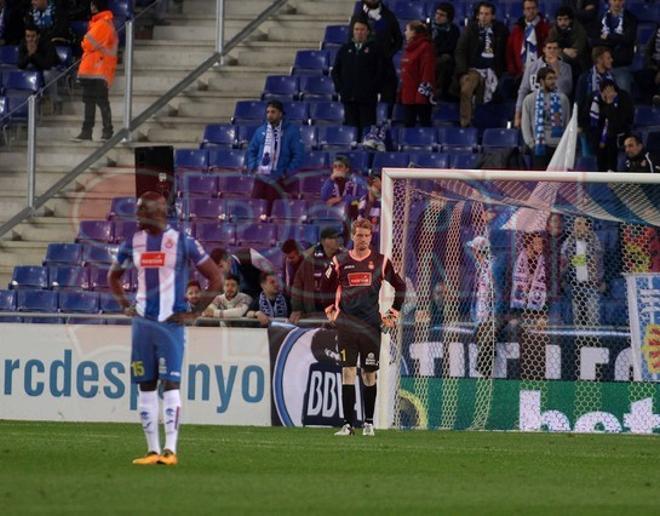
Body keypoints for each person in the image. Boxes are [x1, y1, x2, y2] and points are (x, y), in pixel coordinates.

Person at [108, 191, 222, 466]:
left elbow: (215, 278)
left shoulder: (182, 241)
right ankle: (152, 451)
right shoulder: (134, 242)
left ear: (157, 212)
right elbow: (113, 276)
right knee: (145, 385)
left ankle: (170, 450)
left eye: (141, 210)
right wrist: (125, 304)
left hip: (171, 324)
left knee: (171, 383)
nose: (137, 216)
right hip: (143, 324)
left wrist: (193, 313)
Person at [321, 219, 405, 437]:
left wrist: (392, 314)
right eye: (359, 235)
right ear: (352, 236)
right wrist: (330, 309)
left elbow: (400, 286)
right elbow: (324, 287)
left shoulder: (381, 261)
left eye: (366, 236)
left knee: (369, 374)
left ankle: (368, 423)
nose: (362, 239)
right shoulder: (339, 261)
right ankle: (347, 425)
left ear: (371, 237)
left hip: (370, 326)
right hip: (347, 325)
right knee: (347, 371)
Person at [452, 2, 509, 128]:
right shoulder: (470, 29)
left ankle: (481, 124)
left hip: (493, 70)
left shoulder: (501, 30)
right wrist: (463, 72)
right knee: (467, 89)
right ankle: (465, 123)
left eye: (487, 14)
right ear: (477, 15)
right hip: (473, 69)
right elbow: (460, 51)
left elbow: (506, 52)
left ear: (492, 16)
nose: (483, 17)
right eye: (481, 14)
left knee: (485, 93)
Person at [331, 14, 384, 141]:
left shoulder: (375, 49)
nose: (359, 32)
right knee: (351, 130)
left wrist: (373, 89)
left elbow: (381, 72)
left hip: (367, 99)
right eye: (356, 29)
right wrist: (341, 89)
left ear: (367, 31)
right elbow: (335, 71)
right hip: (349, 98)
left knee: (367, 131)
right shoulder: (345, 49)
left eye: (362, 29)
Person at [246, 100, 304, 212]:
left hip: (278, 178)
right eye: (267, 112)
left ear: (280, 114)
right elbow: (251, 151)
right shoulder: (261, 130)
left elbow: (298, 155)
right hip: (260, 177)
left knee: (272, 211)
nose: (269, 115)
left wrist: (286, 173)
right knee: (255, 209)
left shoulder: (291, 131)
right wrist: (253, 167)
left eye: (273, 112)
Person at [71, 0, 117, 142]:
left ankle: (107, 131)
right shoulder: (100, 23)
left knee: (101, 101)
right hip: (93, 69)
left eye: (92, 4)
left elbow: (87, 42)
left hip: (99, 68)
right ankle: (87, 132)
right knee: (90, 101)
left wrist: (84, 41)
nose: (90, 7)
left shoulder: (103, 23)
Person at [509, 232, 549, 381]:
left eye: (541, 243)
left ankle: (535, 368)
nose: (539, 246)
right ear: (530, 244)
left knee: (537, 333)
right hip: (521, 306)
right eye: (536, 242)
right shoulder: (521, 259)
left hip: (539, 306)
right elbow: (515, 283)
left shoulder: (546, 260)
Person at [289, 226, 343, 324]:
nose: (336, 240)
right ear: (323, 241)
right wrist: (297, 308)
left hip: (338, 312)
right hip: (313, 311)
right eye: (332, 238)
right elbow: (298, 284)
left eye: (337, 238)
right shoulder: (310, 261)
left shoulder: (344, 258)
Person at [515, 38, 572, 128]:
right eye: (549, 48)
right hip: (534, 109)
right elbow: (523, 90)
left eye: (555, 48)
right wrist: (517, 115)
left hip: (556, 110)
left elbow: (565, 91)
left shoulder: (566, 68)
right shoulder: (532, 67)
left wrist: (556, 68)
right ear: (544, 49)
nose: (552, 51)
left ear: (559, 51)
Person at [356, 0, 403, 110]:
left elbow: (398, 40)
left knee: (388, 96)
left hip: (385, 66)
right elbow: (351, 40)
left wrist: (388, 54)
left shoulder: (388, 16)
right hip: (364, 66)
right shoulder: (358, 16)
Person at [521, 67, 571, 170]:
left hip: (558, 148)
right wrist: (532, 144)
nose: (553, 81)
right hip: (539, 147)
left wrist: (565, 144)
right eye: (550, 79)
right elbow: (525, 125)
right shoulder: (529, 99)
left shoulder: (563, 99)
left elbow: (567, 124)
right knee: (541, 182)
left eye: (554, 78)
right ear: (541, 81)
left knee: (558, 183)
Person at [579, 79, 633, 171]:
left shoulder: (623, 98)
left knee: (611, 143)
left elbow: (620, 121)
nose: (609, 93)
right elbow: (588, 120)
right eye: (606, 90)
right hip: (598, 138)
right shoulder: (594, 99)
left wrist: (610, 104)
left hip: (618, 136)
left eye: (611, 90)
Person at [560, 216, 604, 328]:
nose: (577, 227)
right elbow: (564, 263)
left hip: (591, 285)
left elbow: (598, 262)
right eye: (575, 224)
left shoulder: (595, 241)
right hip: (573, 284)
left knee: (593, 318)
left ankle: (593, 339)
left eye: (580, 224)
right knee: (576, 318)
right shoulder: (567, 243)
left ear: (587, 226)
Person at [594, 0, 637, 94]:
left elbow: (628, 39)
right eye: (614, 0)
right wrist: (617, 39)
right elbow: (596, 39)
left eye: (620, 0)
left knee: (623, 96)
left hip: (621, 65)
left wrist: (608, 37)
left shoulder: (631, 19)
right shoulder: (601, 18)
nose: (617, 3)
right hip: (602, 66)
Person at [400, 21, 436, 128]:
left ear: (414, 32)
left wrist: (422, 96)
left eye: (407, 30)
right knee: (408, 127)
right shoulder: (409, 48)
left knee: (424, 125)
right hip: (408, 95)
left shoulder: (425, 47)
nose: (405, 32)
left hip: (420, 97)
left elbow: (427, 72)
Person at [506, 0, 551, 80]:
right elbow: (510, 51)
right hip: (519, 73)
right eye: (528, 8)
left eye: (533, 8)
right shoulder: (517, 29)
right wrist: (513, 70)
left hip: (541, 73)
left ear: (537, 9)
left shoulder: (546, 29)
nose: (531, 11)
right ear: (523, 11)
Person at [548, 6, 590, 76]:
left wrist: (560, 50)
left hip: (579, 63)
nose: (562, 23)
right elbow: (551, 50)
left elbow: (575, 53)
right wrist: (565, 50)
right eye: (560, 20)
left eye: (565, 19)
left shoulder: (579, 30)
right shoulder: (553, 31)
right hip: (559, 62)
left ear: (570, 20)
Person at [430, 2, 460, 100]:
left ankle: (439, 91)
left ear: (449, 18)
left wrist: (435, 52)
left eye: (442, 15)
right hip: (427, 56)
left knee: (445, 59)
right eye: (437, 13)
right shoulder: (428, 27)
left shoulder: (454, 30)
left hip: (444, 59)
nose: (438, 17)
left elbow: (450, 47)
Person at [638, 23, 660, 106]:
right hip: (654, 65)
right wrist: (651, 65)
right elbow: (648, 50)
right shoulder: (657, 31)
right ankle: (648, 105)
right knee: (643, 76)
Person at [357, 175, 382, 245]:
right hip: (367, 235)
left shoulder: (385, 201)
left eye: (379, 186)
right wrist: (370, 202)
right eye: (374, 185)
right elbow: (362, 221)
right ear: (369, 187)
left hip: (381, 236)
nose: (378, 188)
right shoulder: (363, 201)